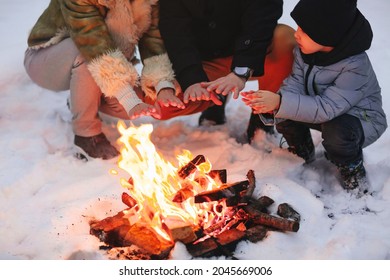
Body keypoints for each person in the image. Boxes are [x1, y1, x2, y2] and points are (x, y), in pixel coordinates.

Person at [241, 0, 387, 192]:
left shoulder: (355, 66)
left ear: (327, 37)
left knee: (336, 132)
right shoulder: (305, 52)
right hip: (324, 112)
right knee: (285, 110)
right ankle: (301, 152)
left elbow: (327, 108)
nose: (296, 34)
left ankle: (352, 168)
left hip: (361, 120)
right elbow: (294, 85)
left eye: (304, 31)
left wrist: (280, 102)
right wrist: (275, 104)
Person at [24, 0, 184, 160]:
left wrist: (163, 86)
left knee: (136, 104)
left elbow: (153, 41)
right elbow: (92, 45)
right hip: (47, 60)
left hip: (105, 64)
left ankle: (81, 100)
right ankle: (86, 136)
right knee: (87, 57)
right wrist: (128, 98)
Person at [158, 0, 296, 142]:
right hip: (201, 62)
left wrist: (241, 71)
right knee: (159, 104)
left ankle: (263, 118)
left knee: (285, 40)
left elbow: (262, 18)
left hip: (248, 52)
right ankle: (216, 97)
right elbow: (175, 32)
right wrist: (192, 78)